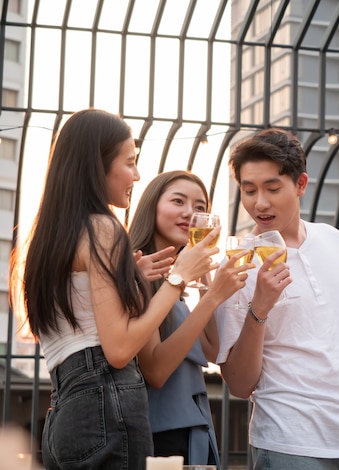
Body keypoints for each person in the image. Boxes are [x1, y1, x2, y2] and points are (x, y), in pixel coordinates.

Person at [10, 109, 215, 469]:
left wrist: (130, 277)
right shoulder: (103, 229)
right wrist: (178, 277)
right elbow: (119, 349)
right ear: (97, 164)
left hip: (64, 411)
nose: (136, 175)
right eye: (130, 162)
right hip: (107, 404)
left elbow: (81, 317)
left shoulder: (50, 237)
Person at [214, 128, 339, 470]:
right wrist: (260, 307)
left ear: (300, 184)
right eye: (249, 190)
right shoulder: (238, 264)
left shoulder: (332, 239)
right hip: (290, 442)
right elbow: (238, 383)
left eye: (272, 188)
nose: (260, 203)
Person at [129, 170, 253, 467]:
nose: (190, 213)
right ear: (152, 207)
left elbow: (210, 349)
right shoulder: (139, 272)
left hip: (193, 428)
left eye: (200, 207)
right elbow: (156, 371)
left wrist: (204, 272)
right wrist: (211, 297)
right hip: (161, 436)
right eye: (178, 201)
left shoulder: (175, 283)